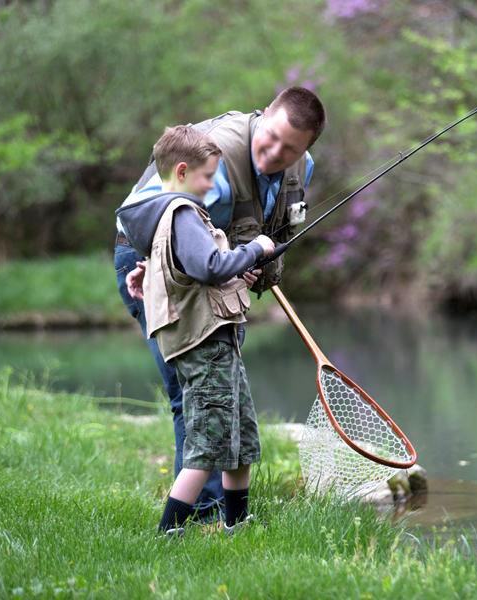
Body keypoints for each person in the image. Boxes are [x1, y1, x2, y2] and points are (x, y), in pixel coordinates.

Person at [113, 87, 327, 523]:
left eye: (290, 148)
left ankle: (228, 516)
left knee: (222, 398)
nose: (275, 152)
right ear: (263, 114)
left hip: (215, 274)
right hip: (149, 262)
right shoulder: (216, 157)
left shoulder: (300, 169)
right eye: (271, 137)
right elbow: (152, 220)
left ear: (306, 150)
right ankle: (198, 516)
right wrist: (147, 267)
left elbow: (243, 240)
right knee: (193, 396)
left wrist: (247, 266)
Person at [117, 125, 276, 534]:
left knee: (239, 441)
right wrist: (255, 248)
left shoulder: (169, 217)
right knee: (205, 449)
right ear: (183, 171)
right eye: (209, 177)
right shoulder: (182, 212)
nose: (212, 186)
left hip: (217, 343)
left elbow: (190, 277)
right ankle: (168, 531)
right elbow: (208, 267)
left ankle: (236, 523)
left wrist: (240, 273)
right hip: (205, 348)